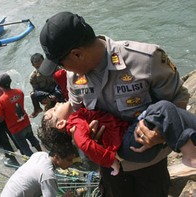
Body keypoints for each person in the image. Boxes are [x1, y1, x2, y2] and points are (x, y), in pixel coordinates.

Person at [38, 12, 190, 197]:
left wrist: (161, 134)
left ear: (77, 54)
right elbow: (79, 113)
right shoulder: (74, 78)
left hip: (149, 164)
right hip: (109, 168)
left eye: (62, 64)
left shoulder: (145, 59)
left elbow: (178, 99)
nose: (64, 70)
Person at [41, 100, 196, 176]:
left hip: (131, 138)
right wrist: (110, 160)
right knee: (164, 107)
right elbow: (86, 145)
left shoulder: (78, 118)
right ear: (61, 123)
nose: (57, 103)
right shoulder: (75, 124)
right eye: (55, 109)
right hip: (129, 144)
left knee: (174, 112)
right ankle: (190, 154)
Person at [1, 131, 77, 197]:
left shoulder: (40, 155)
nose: (71, 163)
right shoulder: (48, 176)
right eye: (69, 160)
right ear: (56, 157)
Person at [0, 73, 42, 157]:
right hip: (26, 122)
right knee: (32, 138)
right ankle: (42, 153)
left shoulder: (0, 101)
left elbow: (0, 118)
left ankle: (33, 161)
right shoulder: (19, 92)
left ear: (0, 85)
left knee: (25, 148)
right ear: (10, 82)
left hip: (15, 129)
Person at [29, 53, 63, 118]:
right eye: (37, 67)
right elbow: (36, 90)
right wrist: (45, 97)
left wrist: (56, 95)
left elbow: (62, 82)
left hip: (59, 91)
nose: (40, 68)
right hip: (47, 95)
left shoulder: (55, 68)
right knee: (33, 94)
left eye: (42, 65)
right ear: (33, 65)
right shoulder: (33, 77)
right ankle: (38, 109)